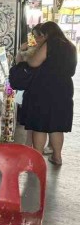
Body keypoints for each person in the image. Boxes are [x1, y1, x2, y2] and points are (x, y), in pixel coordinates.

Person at [17, 21, 76, 165]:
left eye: (42, 35)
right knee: (56, 125)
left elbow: (35, 63)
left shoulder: (50, 43)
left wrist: (27, 56)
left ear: (48, 34)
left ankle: (37, 160)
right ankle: (57, 157)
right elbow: (72, 70)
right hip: (64, 88)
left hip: (44, 88)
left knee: (40, 125)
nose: (40, 38)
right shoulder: (71, 46)